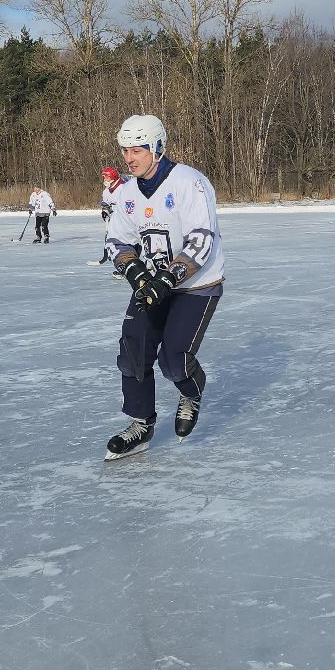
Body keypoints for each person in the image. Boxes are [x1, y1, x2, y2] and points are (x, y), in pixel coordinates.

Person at [103, 114, 223, 459]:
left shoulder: (189, 183)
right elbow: (118, 243)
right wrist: (137, 275)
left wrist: (168, 278)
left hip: (196, 284)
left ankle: (192, 391)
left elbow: (201, 240)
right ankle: (141, 424)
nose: (129, 158)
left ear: (156, 148)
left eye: (137, 150)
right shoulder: (126, 192)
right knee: (133, 350)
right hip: (154, 284)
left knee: (173, 362)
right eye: (125, 150)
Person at [96, 167, 125, 267]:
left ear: (112, 176)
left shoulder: (123, 188)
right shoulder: (107, 190)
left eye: (106, 177)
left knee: (123, 243)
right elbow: (105, 203)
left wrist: (113, 207)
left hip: (124, 220)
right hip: (113, 219)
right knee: (112, 239)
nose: (104, 179)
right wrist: (104, 211)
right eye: (104, 177)